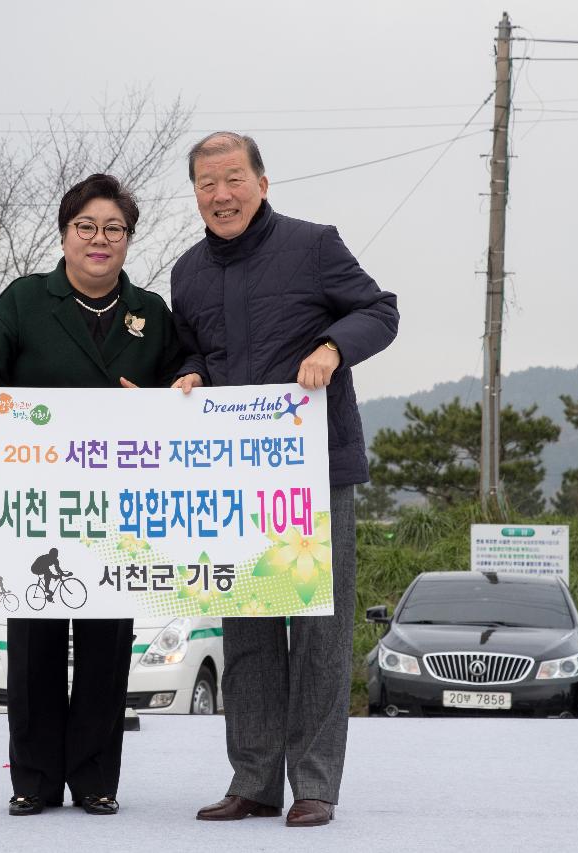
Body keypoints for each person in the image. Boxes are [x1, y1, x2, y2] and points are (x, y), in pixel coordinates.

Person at [169, 132, 399, 828]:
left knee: (320, 629)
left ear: (262, 183)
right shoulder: (187, 272)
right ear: (196, 194)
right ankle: (254, 779)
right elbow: (191, 350)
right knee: (248, 631)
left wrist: (332, 347)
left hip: (316, 470)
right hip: (235, 481)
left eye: (234, 179)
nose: (222, 195)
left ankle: (315, 783)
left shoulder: (314, 244)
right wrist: (187, 374)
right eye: (208, 184)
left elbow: (380, 310)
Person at [0, 173, 184, 818]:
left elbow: (184, 376)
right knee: (35, 645)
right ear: (64, 234)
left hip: (118, 509)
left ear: (128, 240)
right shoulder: (26, 301)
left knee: (109, 646)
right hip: (37, 508)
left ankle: (95, 782)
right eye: (86, 227)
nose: (99, 240)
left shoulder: (150, 313)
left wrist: (182, 383)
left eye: (114, 229)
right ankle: (32, 779)